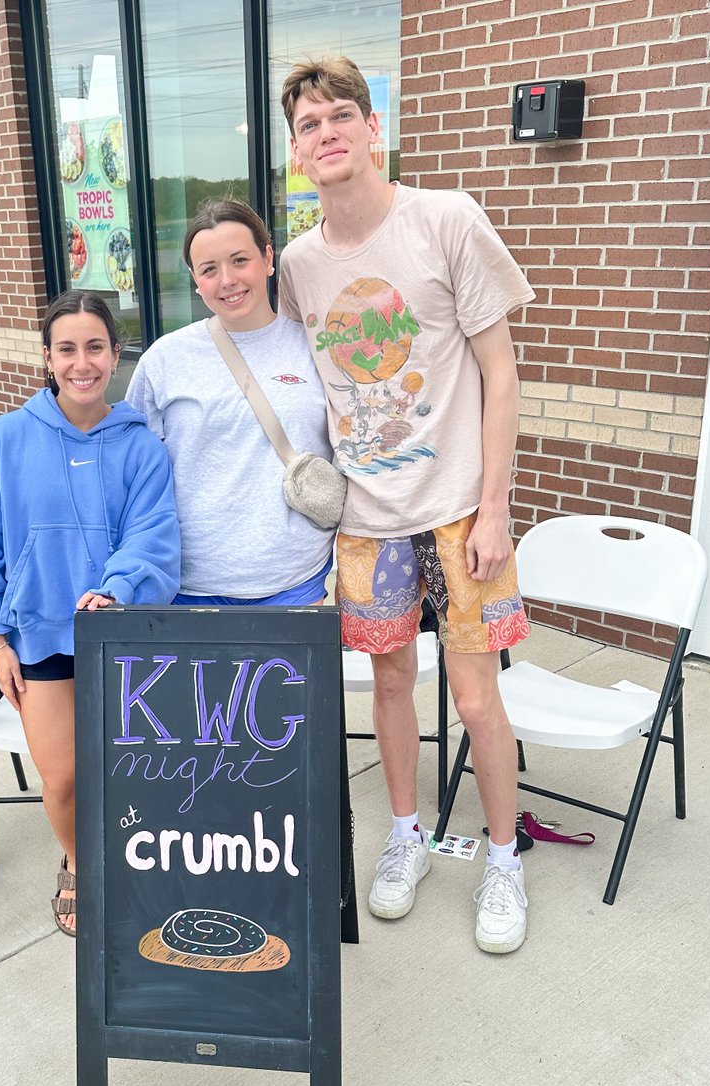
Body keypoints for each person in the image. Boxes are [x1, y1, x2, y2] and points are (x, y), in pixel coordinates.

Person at [277, 57, 536, 953]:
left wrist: (497, 505)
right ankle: (406, 836)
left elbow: (501, 370)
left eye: (340, 114)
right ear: (298, 151)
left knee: (474, 700)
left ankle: (503, 858)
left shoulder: (446, 220)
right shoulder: (299, 264)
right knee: (389, 686)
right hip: (366, 520)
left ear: (374, 126)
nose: (326, 133)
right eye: (308, 125)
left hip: (463, 509)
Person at [0, 291, 180, 935]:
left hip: (123, 633)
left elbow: (153, 534)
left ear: (115, 353)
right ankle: (79, 862)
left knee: (143, 773)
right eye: (68, 349)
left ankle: (141, 864)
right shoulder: (5, 439)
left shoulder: (140, 445)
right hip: (38, 638)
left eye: (96, 347)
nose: (83, 363)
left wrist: (117, 587)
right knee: (68, 777)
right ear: (47, 357)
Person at [125, 198, 333, 607]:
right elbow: (130, 471)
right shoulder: (164, 360)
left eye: (240, 260)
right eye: (209, 269)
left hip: (295, 578)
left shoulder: (317, 348)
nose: (227, 280)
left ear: (268, 258)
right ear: (195, 279)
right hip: (188, 587)